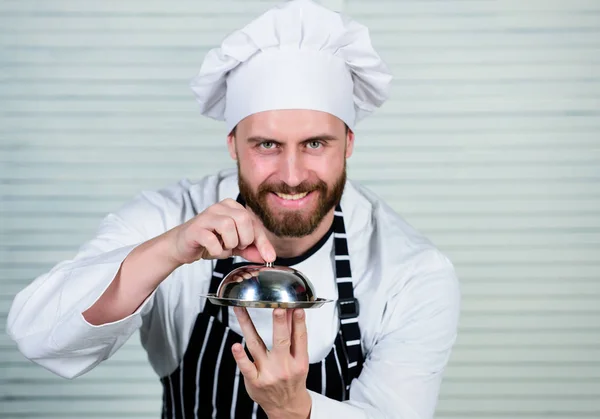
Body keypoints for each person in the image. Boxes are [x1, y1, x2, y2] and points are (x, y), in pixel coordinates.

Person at [6, 1, 460, 418]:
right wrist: (171, 250)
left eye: (316, 143)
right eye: (267, 144)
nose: (293, 173)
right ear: (233, 145)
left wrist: (295, 410)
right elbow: (40, 338)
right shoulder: (169, 217)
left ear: (349, 144)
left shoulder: (412, 271)